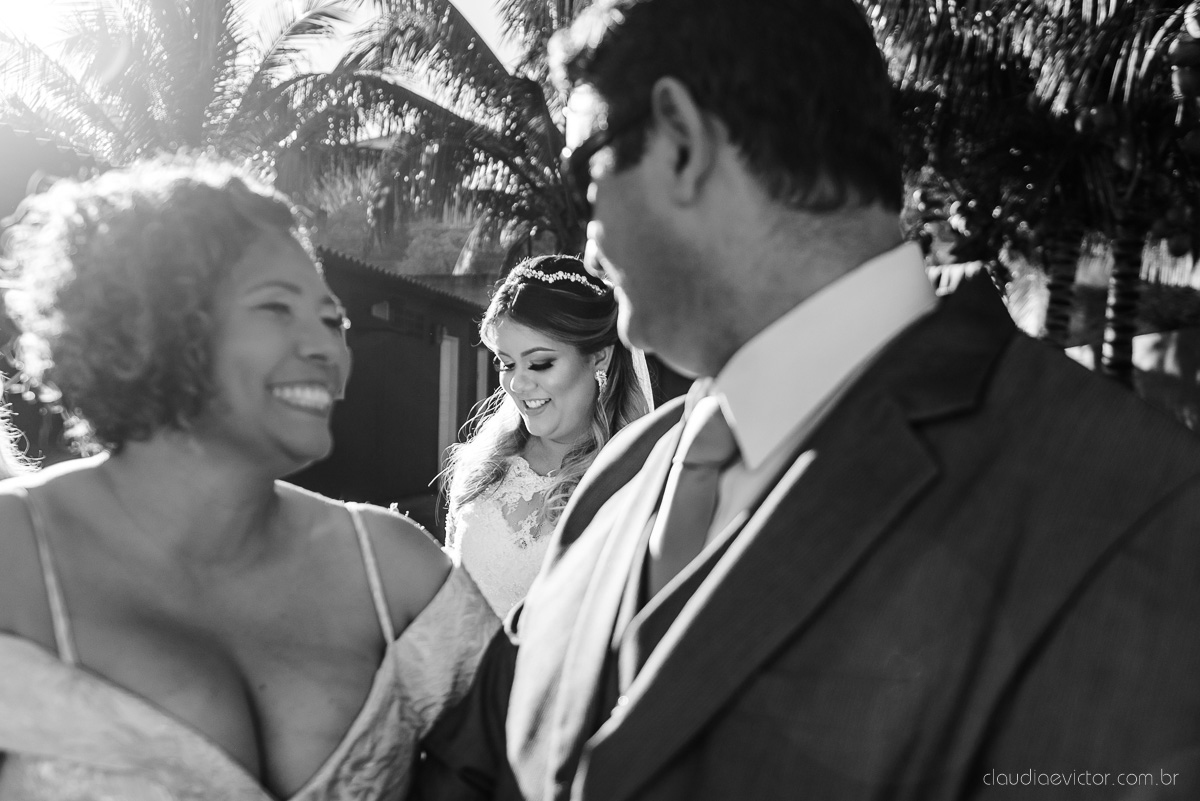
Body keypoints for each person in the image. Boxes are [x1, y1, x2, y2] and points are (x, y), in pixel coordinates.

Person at [415, 0, 1200, 799]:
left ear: (682, 143)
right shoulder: (619, 478)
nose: (584, 242)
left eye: (588, 174)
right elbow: (474, 764)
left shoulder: (1137, 513)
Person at [0, 156, 498, 801]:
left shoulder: (395, 572)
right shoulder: (14, 553)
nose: (326, 347)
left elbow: (520, 772)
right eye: (275, 308)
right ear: (149, 326)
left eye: (332, 319)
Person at [442, 255, 653, 617]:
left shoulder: (635, 479)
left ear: (599, 357)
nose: (517, 384)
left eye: (540, 363)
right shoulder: (481, 467)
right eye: (505, 363)